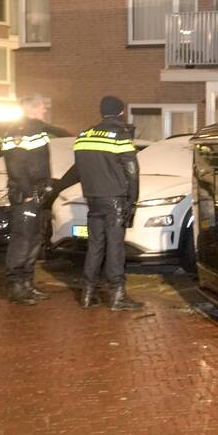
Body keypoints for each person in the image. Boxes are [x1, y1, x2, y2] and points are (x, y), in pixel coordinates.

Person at [73, 96, 143, 310]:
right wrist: (133, 199)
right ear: (121, 112)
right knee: (115, 248)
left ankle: (87, 294)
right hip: (114, 199)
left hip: (92, 199)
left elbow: (79, 168)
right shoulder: (119, 136)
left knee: (95, 246)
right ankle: (117, 297)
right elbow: (132, 170)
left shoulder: (84, 135)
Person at [2, 96, 54, 305]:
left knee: (34, 238)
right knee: (22, 239)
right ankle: (16, 286)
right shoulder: (17, 131)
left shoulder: (38, 129)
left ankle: (27, 284)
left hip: (37, 193)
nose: (45, 110)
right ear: (33, 109)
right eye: (43, 107)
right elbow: (16, 166)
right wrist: (28, 192)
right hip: (26, 195)